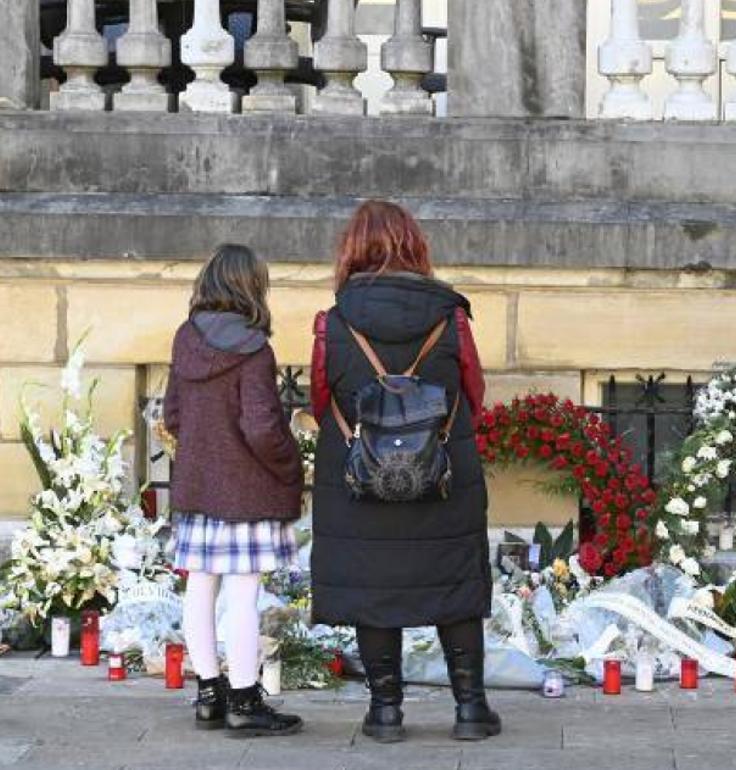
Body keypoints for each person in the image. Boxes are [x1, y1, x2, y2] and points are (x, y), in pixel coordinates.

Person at [309, 200, 495, 743]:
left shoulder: (334, 323)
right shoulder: (452, 318)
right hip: (442, 476)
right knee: (454, 584)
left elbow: (323, 400)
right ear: (416, 246)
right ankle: (470, 711)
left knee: (374, 586)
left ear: (351, 250)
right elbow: (474, 393)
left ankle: (385, 713)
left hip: (362, 482)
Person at [164, 244, 304, 738]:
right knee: (243, 595)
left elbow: (172, 417)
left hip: (199, 487)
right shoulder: (253, 350)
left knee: (200, 588)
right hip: (247, 491)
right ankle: (245, 701)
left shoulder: (185, 340)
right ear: (252, 287)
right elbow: (262, 428)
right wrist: (291, 464)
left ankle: (209, 695)